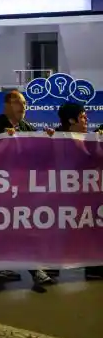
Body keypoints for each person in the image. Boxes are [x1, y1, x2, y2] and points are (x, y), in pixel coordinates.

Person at [0, 90, 54, 287]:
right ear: (7, 105)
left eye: (24, 103)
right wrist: (4, 141)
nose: (23, 106)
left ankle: (35, 268)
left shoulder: (26, 126)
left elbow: (36, 153)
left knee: (26, 225)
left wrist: (48, 140)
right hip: (0, 187)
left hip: (21, 187)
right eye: (18, 102)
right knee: (0, 227)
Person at [56, 103, 101, 281]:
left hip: (85, 199)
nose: (87, 119)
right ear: (71, 120)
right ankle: (50, 265)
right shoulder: (51, 140)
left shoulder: (91, 141)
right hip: (62, 201)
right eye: (83, 116)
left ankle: (94, 266)